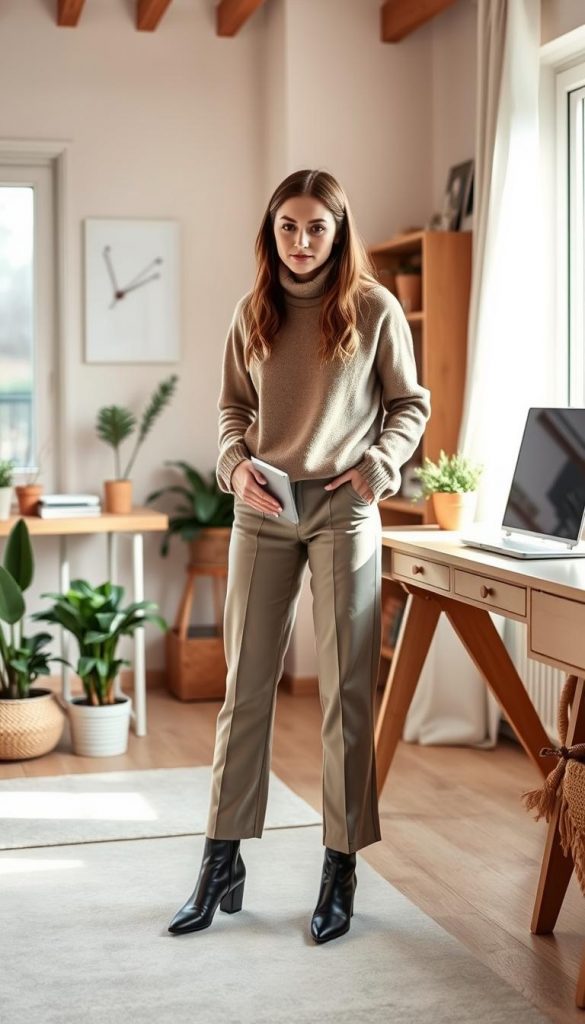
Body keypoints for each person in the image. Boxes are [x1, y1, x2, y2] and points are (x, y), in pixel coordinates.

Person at [168, 168, 431, 943]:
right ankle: (221, 857)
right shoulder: (253, 311)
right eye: (289, 226)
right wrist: (232, 463)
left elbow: (408, 403)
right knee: (244, 688)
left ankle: (339, 865)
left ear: (338, 231)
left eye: (317, 227)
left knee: (346, 692)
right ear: (271, 230)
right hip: (264, 509)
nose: (303, 241)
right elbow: (232, 407)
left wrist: (380, 466)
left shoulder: (375, 309)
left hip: (343, 512)